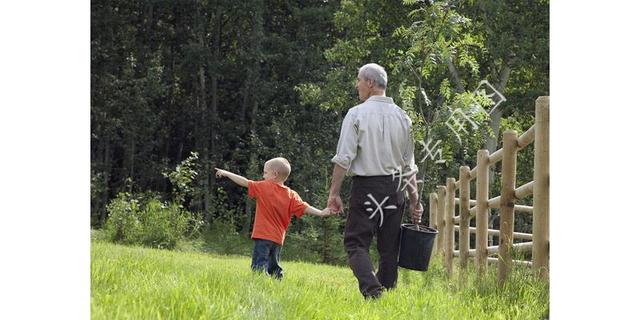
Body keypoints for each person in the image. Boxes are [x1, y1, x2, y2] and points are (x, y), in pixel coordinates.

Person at [327, 63, 423, 299]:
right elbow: (408, 165)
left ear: (370, 83)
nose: (357, 84)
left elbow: (344, 159)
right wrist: (414, 200)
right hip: (396, 188)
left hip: (367, 188)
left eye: (359, 80)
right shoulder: (404, 118)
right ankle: (387, 292)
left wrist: (334, 193)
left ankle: (373, 291)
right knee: (389, 247)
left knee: (355, 242)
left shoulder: (356, 113)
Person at [215, 157, 333, 279]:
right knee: (274, 265)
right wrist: (321, 212)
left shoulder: (264, 187)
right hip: (277, 239)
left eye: (265, 172)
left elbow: (245, 182)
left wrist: (226, 173)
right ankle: (277, 281)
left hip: (262, 235)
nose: (263, 175)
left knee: (259, 266)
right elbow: (305, 207)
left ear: (274, 174)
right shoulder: (291, 195)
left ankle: (260, 283)